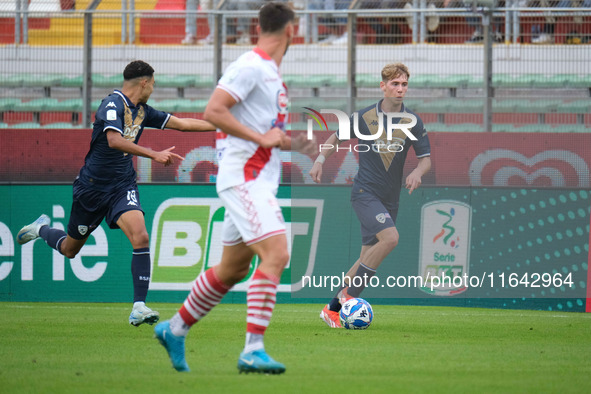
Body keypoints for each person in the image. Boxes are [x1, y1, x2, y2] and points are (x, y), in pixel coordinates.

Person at [154, 2, 314, 374]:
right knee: (276, 253)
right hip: (243, 177)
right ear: (292, 30)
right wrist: (264, 137)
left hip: (254, 177)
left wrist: (295, 144)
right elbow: (214, 111)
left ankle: (174, 329)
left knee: (232, 270)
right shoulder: (251, 66)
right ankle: (252, 349)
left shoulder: (271, 74)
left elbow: (261, 132)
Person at [16, 60, 216, 327]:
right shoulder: (111, 104)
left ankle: (139, 306)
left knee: (141, 235)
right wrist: (154, 154)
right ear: (144, 82)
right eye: (153, 83)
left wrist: (223, 126)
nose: (153, 89)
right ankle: (41, 230)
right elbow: (114, 140)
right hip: (92, 188)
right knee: (70, 249)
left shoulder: (143, 111)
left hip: (122, 185)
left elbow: (182, 124)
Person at [309, 63, 431, 328]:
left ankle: (331, 310)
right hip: (365, 192)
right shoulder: (364, 117)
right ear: (383, 86)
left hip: (391, 198)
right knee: (391, 238)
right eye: (395, 84)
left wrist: (418, 172)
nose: (400, 89)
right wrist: (319, 160)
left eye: (404, 84)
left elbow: (425, 160)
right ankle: (347, 297)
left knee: (366, 258)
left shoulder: (413, 121)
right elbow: (335, 138)